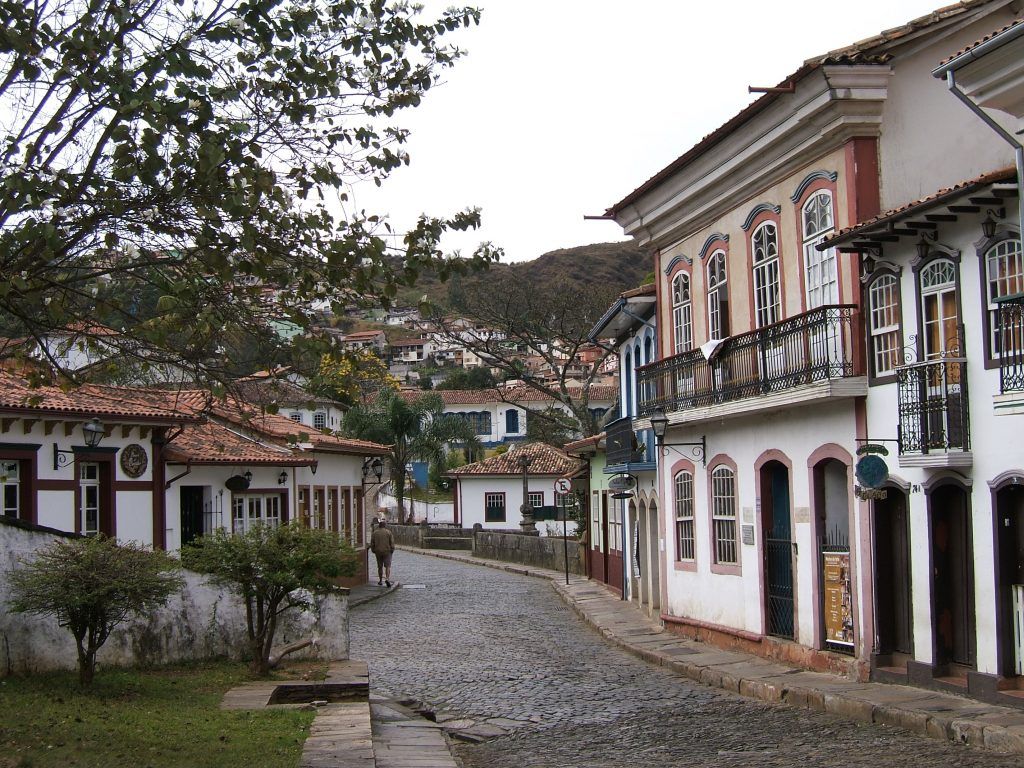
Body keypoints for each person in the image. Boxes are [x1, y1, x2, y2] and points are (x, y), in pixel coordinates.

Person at [370, 518, 396, 587]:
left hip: (378, 551)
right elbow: (392, 542)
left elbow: (372, 543)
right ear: (385, 526)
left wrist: (373, 550)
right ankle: (387, 578)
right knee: (387, 566)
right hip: (387, 552)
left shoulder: (375, 533)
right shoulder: (388, 532)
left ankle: (380, 580)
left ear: (379, 526)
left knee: (380, 567)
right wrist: (392, 549)